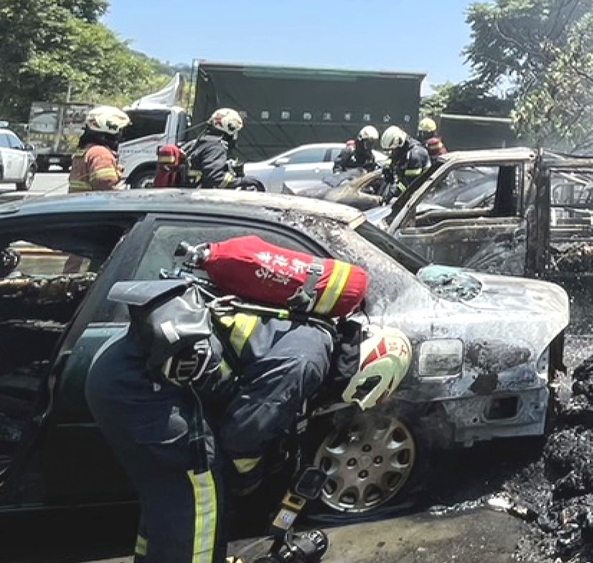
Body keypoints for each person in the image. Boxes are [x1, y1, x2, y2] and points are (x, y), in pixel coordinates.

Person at [85, 250, 369, 562]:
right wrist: (249, 476)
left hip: (121, 371)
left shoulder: (304, 325)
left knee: (169, 499)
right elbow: (245, 433)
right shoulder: (309, 359)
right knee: (201, 503)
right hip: (145, 392)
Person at [186, 108, 260, 190]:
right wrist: (242, 181)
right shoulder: (215, 148)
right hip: (203, 199)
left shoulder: (199, 143)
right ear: (230, 129)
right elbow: (215, 178)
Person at [68, 106, 131, 193]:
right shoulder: (100, 153)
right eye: (120, 129)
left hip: (80, 203)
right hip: (94, 205)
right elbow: (105, 183)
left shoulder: (88, 150)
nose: (121, 134)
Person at [380, 125, 431, 199]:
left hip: (423, 197)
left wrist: (391, 193)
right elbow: (392, 157)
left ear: (400, 143)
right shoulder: (402, 149)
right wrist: (387, 166)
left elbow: (409, 184)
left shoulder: (415, 155)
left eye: (392, 150)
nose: (391, 153)